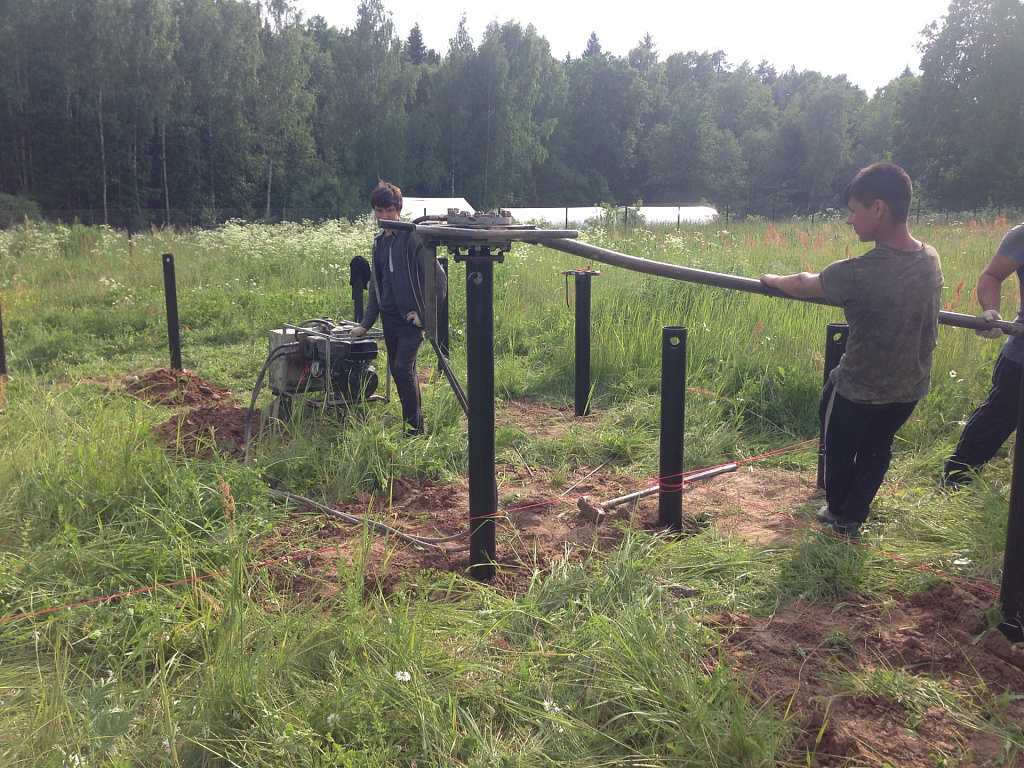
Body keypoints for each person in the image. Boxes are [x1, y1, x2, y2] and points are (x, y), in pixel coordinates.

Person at [760, 162, 943, 537]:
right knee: (878, 448)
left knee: (838, 446)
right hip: (909, 387)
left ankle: (839, 513)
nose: (849, 220)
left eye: (853, 210)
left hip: (858, 388)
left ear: (878, 208)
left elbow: (803, 283)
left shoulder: (858, 271)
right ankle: (855, 514)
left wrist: (771, 279)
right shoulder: (930, 258)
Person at [351, 181, 445, 435]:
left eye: (388, 210)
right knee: (398, 370)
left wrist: (424, 316)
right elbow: (375, 286)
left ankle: (415, 430)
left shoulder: (412, 238)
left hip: (410, 321)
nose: (383, 216)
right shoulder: (379, 242)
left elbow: (439, 280)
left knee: (403, 369)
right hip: (389, 318)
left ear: (398, 209)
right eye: (379, 211)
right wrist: (365, 324)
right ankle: (411, 423)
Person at [943, 223, 1024, 487]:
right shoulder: (1021, 235)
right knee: (996, 420)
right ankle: (956, 482)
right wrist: (992, 312)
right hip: (1021, 357)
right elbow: (991, 276)